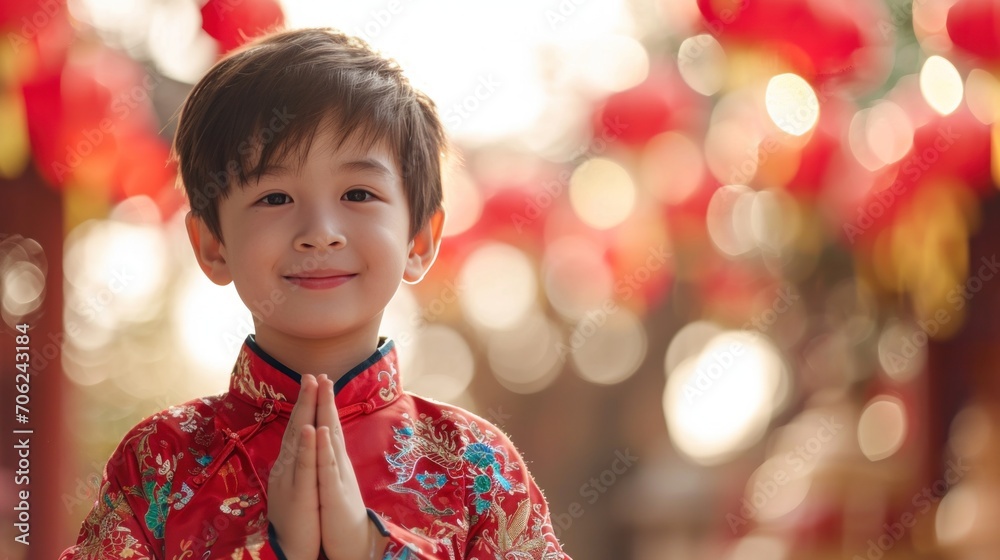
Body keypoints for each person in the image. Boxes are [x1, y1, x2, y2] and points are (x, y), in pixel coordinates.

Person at [60, 27, 570, 560]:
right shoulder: (158, 462)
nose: (320, 230)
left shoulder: (478, 466)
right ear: (212, 244)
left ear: (419, 238)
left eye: (358, 193)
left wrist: (372, 550)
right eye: (275, 196)